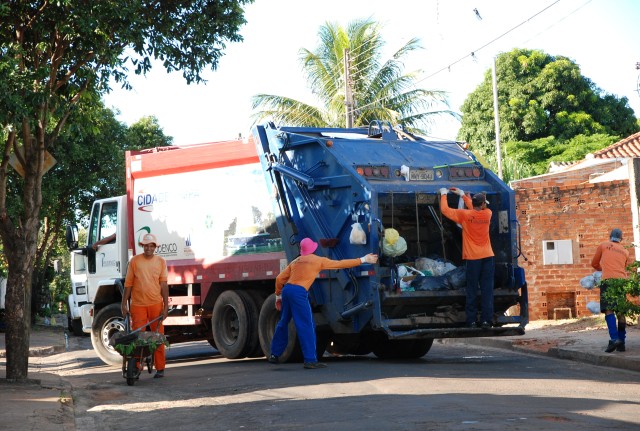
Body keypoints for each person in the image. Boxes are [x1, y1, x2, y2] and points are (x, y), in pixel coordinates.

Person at [268, 237, 378, 369]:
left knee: (283, 322)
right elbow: (340, 264)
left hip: (287, 291)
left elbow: (280, 278)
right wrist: (363, 259)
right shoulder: (317, 261)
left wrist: (278, 295)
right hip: (299, 293)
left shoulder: (296, 261)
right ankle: (310, 360)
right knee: (306, 325)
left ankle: (274, 354)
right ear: (313, 249)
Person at [439, 187, 495, 329]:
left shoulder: (464, 215)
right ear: (483, 205)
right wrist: (464, 196)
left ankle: (471, 321)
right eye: (485, 204)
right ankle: (486, 321)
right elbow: (475, 208)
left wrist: (444, 194)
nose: (486, 206)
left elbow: (445, 210)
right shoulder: (487, 214)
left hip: (473, 258)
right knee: (487, 290)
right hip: (488, 257)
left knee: (472, 290)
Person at [121, 233, 169, 378]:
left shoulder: (161, 261)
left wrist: (166, 306)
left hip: (155, 304)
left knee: (158, 337)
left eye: (151, 246)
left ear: (155, 247)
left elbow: (164, 284)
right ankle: (135, 367)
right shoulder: (135, 261)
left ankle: (160, 368)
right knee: (137, 339)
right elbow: (128, 284)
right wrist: (124, 304)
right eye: (146, 245)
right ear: (142, 246)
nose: (148, 248)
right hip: (138, 305)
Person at [591, 228, 632, 353]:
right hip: (621, 282)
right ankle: (622, 343)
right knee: (620, 312)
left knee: (609, 310)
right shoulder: (625, 251)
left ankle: (614, 339)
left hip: (608, 281)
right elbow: (623, 268)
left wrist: (602, 269)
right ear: (621, 239)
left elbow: (594, 263)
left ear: (610, 236)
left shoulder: (603, 246)